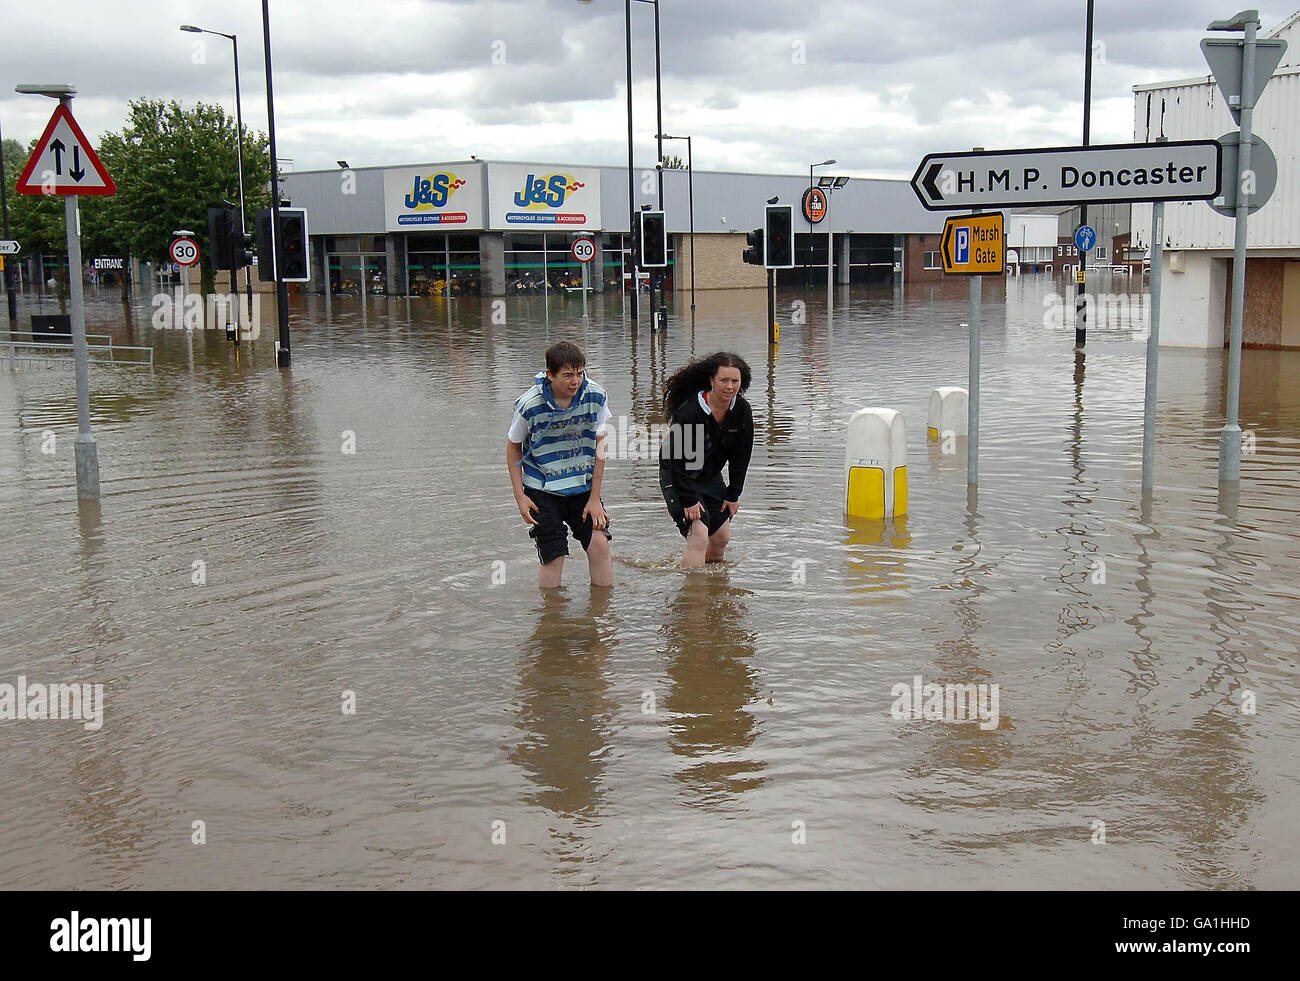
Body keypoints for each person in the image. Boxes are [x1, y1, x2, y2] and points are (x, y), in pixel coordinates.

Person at [507, 341, 613, 588]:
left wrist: (595, 498)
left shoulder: (596, 396)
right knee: (553, 555)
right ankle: (553, 620)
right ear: (550, 375)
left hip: (583, 486)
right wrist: (519, 496)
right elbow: (513, 446)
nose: (575, 381)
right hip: (541, 488)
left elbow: (601, 445)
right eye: (567, 375)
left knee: (599, 544)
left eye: (579, 373)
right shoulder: (530, 405)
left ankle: (603, 617)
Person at [659, 352, 754, 568]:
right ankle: (692, 598)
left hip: (710, 475)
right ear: (712, 380)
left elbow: (742, 454)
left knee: (721, 537)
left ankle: (714, 592)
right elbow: (677, 460)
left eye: (734, 381)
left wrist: (733, 493)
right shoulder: (690, 411)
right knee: (699, 534)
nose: (729, 387)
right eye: (724, 380)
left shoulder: (742, 410)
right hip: (678, 474)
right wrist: (689, 499)